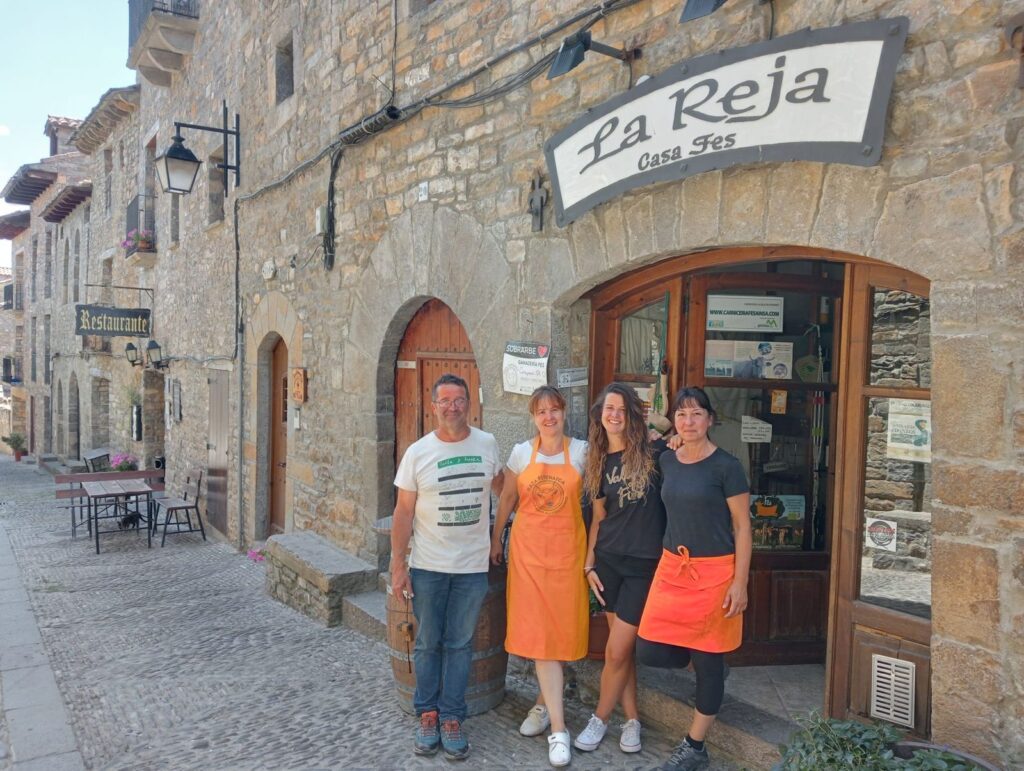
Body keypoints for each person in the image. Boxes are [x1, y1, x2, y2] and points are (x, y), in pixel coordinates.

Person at [636, 387, 752, 771]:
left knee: (707, 661)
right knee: (649, 649)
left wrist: (740, 582)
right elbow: (640, 435)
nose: (689, 421)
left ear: (710, 419)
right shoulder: (667, 459)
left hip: (715, 573)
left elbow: (742, 526)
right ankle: (709, 668)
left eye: (697, 414)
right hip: (673, 569)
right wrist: (666, 433)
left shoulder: (727, 467)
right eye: (682, 414)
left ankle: (695, 745)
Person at [390, 373, 503, 761]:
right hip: (429, 566)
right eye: (445, 401)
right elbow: (403, 512)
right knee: (427, 643)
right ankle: (428, 714)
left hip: (472, 568)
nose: (452, 407)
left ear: (469, 404)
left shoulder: (487, 444)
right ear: (434, 406)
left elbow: (505, 489)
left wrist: (503, 533)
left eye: (459, 400)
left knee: (460, 644)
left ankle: (452, 717)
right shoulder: (418, 453)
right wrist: (398, 565)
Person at [490, 385, 588, 768]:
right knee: (540, 637)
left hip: (567, 556)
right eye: (541, 412)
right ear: (533, 417)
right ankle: (558, 728)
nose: (549, 417)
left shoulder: (582, 452)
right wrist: (495, 540)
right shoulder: (520, 453)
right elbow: (507, 499)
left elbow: (599, 503)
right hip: (529, 556)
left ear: (564, 413)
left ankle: (545, 707)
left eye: (554, 410)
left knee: (557, 634)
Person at [573, 383, 668, 755]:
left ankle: (599, 719)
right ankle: (632, 721)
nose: (614, 415)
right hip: (608, 563)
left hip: (643, 566)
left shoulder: (654, 452)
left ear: (632, 415)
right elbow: (599, 517)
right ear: (600, 414)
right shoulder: (598, 460)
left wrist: (669, 436)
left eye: (622, 409)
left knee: (615, 652)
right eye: (608, 408)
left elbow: (676, 437)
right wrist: (589, 563)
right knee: (620, 651)